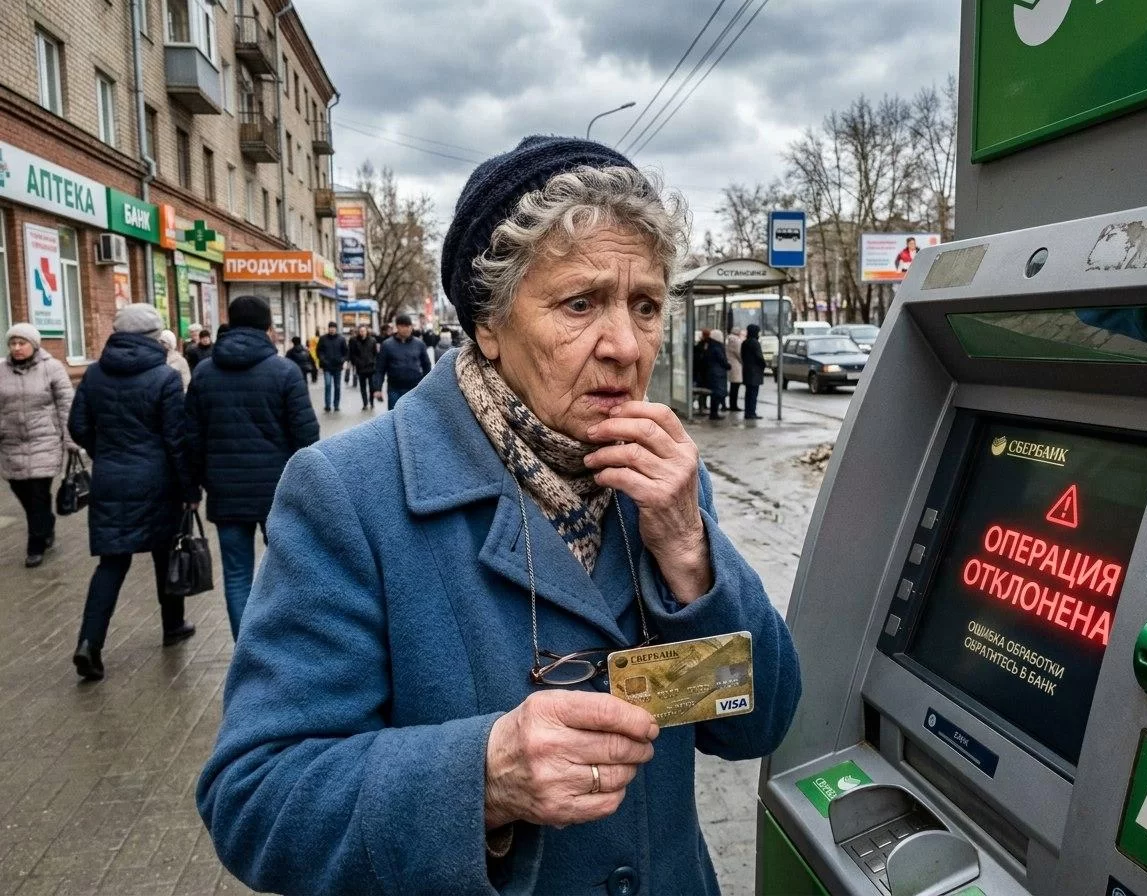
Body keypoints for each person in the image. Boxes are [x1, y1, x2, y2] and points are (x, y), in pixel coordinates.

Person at [197, 135, 800, 895]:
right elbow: (256, 800)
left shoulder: (665, 479)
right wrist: (484, 777)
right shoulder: (350, 492)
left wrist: (687, 544)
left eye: (644, 305)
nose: (624, 345)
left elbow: (758, 724)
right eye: (580, 303)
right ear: (488, 323)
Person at [68, 304, 197, 682]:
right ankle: (172, 625)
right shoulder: (165, 376)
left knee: (112, 562)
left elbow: (78, 426)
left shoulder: (93, 375)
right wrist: (190, 488)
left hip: (110, 478)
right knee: (166, 551)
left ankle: (89, 644)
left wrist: (104, 451)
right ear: (153, 337)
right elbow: (176, 439)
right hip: (157, 481)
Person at [185, 296, 319, 640]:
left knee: (237, 575)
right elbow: (306, 434)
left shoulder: (203, 373)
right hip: (278, 490)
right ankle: (284, 646)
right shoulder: (284, 372)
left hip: (225, 491)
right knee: (287, 569)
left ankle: (245, 651)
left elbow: (191, 438)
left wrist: (193, 487)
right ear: (268, 327)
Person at [0, 323, 75, 567]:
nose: (17, 348)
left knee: (38, 494)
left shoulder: (52, 367)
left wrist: (70, 438)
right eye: (13, 343)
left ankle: (35, 545)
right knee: (21, 492)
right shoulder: (1, 370)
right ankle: (46, 524)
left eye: (22, 343)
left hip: (44, 440)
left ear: (34, 345)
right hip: (10, 442)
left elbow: (66, 403)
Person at [372, 313, 431, 409]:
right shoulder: (387, 345)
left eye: (408, 326)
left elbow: (427, 366)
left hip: (415, 388)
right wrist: (377, 388)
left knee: (413, 417)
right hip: (394, 389)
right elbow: (380, 369)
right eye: (403, 326)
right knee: (394, 416)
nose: (406, 329)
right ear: (397, 327)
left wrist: (428, 386)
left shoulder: (419, 344)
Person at [316, 322, 348, 412]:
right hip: (327, 367)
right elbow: (319, 351)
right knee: (328, 385)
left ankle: (336, 405)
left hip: (338, 367)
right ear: (328, 328)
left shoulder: (341, 339)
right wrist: (323, 360)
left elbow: (346, 352)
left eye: (333, 328)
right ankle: (327, 405)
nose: (332, 329)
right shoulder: (323, 339)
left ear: (336, 329)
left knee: (337, 386)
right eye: (330, 327)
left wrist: (342, 360)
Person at [347, 323, 378, 410]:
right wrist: (355, 362)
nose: (362, 333)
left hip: (371, 367)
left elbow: (375, 354)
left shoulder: (372, 340)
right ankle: (365, 403)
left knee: (372, 387)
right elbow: (352, 353)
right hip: (360, 368)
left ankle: (371, 402)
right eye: (360, 331)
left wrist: (374, 362)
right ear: (358, 332)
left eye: (363, 331)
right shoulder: (354, 341)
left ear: (366, 331)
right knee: (362, 387)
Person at [703, 328, 730, 421]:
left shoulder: (709, 345)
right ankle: (714, 413)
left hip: (713, 373)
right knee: (718, 394)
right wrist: (728, 365)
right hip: (718, 374)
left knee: (715, 394)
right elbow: (722, 360)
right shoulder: (717, 346)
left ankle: (714, 413)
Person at [741, 323, 767, 420]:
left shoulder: (745, 342)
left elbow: (742, 356)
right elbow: (759, 357)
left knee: (748, 393)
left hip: (747, 371)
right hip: (755, 372)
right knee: (753, 394)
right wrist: (764, 365)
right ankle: (751, 412)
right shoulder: (755, 343)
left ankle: (748, 412)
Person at [726, 327, 744, 413]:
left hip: (731, 364)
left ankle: (732, 404)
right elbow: (739, 353)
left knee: (733, 386)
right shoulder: (736, 341)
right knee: (735, 387)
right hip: (736, 365)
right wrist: (743, 362)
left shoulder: (729, 339)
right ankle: (734, 405)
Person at [692, 330, 710, 414]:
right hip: (701, 372)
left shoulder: (700, 345)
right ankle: (701, 406)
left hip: (699, 371)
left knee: (701, 389)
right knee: (701, 389)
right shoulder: (703, 346)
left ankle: (702, 406)